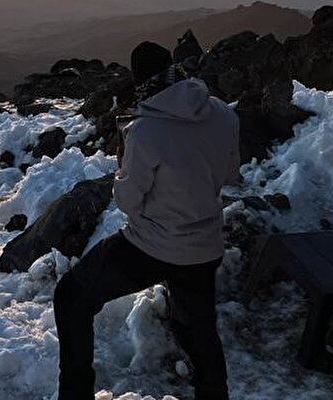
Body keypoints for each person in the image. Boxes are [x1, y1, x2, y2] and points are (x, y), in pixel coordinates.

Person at [53, 41, 240, 400]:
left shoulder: (145, 131)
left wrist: (124, 164)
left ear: (139, 79)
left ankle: (74, 393)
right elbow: (230, 173)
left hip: (154, 248)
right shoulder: (221, 113)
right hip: (206, 246)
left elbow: (126, 201)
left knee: (71, 297)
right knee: (199, 330)